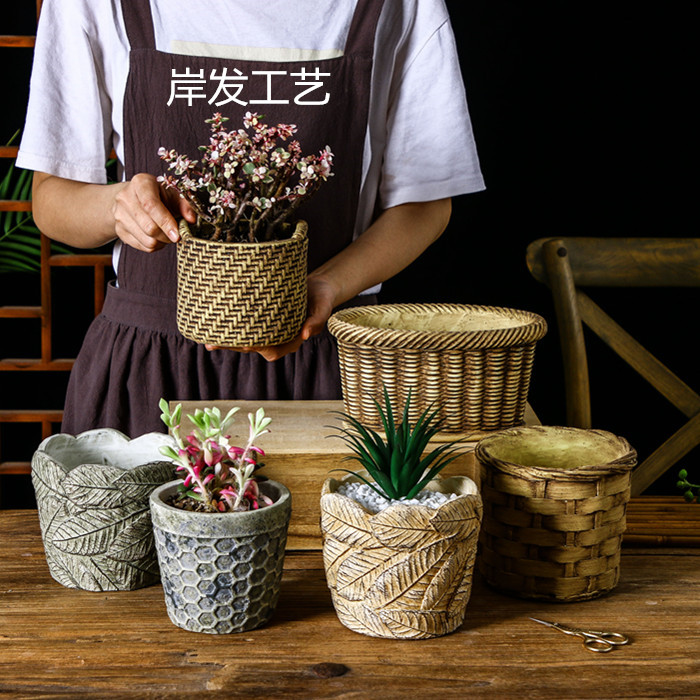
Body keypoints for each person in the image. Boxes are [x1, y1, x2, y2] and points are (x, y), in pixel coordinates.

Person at [17, 0, 485, 437]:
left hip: (326, 366)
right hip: (151, 370)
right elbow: (51, 200)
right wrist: (119, 207)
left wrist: (328, 286)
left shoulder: (404, 6)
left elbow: (426, 203)